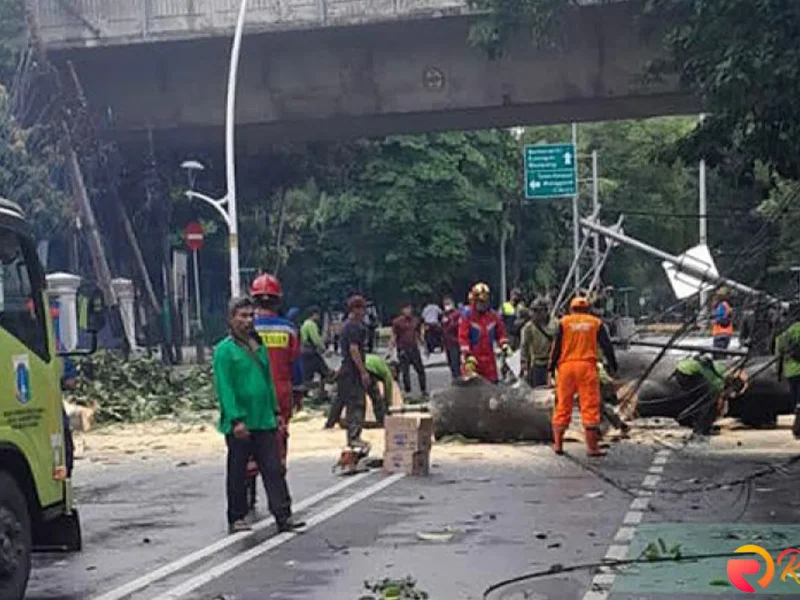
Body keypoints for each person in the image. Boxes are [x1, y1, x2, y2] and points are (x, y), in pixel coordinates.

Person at [212, 297, 304, 534]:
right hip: (241, 422)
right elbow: (225, 388)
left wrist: (276, 411)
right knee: (238, 471)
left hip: (264, 418)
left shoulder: (257, 345)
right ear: (231, 319)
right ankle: (237, 516)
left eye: (250, 316)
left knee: (273, 468)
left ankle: (284, 515)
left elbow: (268, 381)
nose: (248, 321)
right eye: (242, 316)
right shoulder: (224, 351)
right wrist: (235, 419)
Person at [548, 295, 618, 457]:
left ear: (571, 309)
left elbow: (556, 348)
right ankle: (592, 448)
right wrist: (613, 366)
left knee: (563, 405)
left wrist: (551, 368)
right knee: (589, 406)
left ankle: (558, 444)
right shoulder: (596, 323)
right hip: (587, 367)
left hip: (566, 368)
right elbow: (607, 346)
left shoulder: (564, 323)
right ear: (588, 309)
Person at [250, 274, 300, 474]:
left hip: (251, 392)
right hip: (281, 391)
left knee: (251, 434)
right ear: (278, 300)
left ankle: (250, 471)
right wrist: (298, 391)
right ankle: (278, 467)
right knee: (279, 433)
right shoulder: (289, 330)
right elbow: (296, 365)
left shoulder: (247, 328)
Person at [336, 295, 372, 448]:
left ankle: (353, 435)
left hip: (349, 370)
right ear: (355, 309)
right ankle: (354, 436)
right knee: (356, 403)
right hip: (352, 371)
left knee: (350, 402)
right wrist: (363, 372)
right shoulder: (352, 327)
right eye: (363, 308)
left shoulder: (350, 326)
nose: (365, 312)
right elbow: (354, 350)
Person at [458, 282, 511, 383]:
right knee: (472, 388)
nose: (483, 304)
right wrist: (467, 355)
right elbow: (463, 338)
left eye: (485, 301)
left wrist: (504, 345)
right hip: (473, 359)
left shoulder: (493, 316)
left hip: (489, 359)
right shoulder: (467, 316)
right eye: (480, 302)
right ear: (474, 301)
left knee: (492, 385)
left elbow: (500, 333)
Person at [391, 302, 428, 397]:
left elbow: (419, 334)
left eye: (409, 308)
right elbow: (394, 336)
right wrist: (391, 349)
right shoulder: (397, 322)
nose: (408, 311)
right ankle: (408, 391)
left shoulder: (415, 321)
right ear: (402, 310)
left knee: (420, 370)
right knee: (405, 371)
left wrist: (424, 346)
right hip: (403, 349)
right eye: (406, 309)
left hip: (414, 348)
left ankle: (423, 389)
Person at [520, 298, 554, 388]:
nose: (536, 314)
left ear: (545, 311)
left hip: (552, 364)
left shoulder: (555, 324)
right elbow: (524, 347)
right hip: (537, 365)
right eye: (534, 311)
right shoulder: (529, 327)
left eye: (538, 311)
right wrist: (524, 364)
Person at [776, 311, 800, 438]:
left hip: (790, 372)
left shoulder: (785, 334)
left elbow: (779, 354)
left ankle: (797, 427)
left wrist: (779, 373)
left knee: (796, 400)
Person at [300, 306, 332, 386]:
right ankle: (321, 391)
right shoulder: (311, 324)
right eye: (318, 314)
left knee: (308, 374)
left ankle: (319, 392)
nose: (319, 317)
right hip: (311, 352)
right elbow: (316, 339)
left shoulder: (304, 324)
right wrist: (324, 349)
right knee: (324, 371)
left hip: (304, 352)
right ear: (314, 314)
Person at [441, 296, 462, 381]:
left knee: (455, 362)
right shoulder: (444, 315)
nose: (447, 306)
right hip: (447, 342)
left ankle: (458, 379)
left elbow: (458, 326)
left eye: (448, 304)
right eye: (445, 304)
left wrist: (449, 322)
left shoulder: (457, 314)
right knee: (450, 363)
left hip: (455, 342)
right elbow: (443, 328)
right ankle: (454, 378)